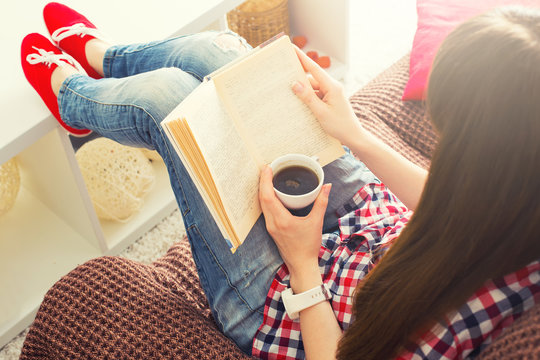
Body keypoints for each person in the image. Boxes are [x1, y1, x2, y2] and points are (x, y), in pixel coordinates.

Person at [19, 2, 540, 359]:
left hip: (296, 309)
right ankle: (104, 56)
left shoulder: (458, 326)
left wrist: (303, 261)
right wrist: (355, 135)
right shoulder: (518, 191)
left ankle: (72, 99)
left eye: (446, 134)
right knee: (226, 60)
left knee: (170, 103)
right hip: (375, 230)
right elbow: (456, 200)